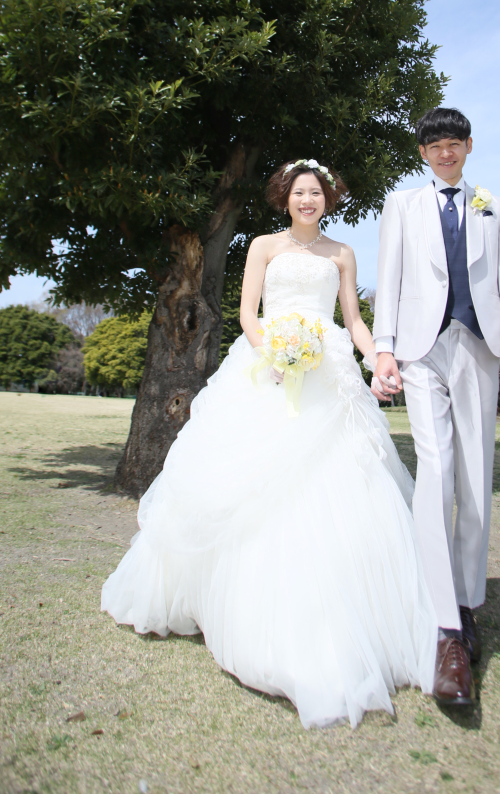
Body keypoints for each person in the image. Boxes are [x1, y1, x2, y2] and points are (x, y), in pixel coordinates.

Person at [101, 160, 437, 729]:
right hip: (267, 367)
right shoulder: (262, 245)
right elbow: (246, 313)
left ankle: (342, 617)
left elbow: (353, 318)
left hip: (327, 371)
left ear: (329, 199)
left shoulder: (342, 254)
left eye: (318, 193)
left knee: (341, 479)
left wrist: (375, 354)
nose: (309, 200)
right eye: (299, 192)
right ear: (285, 198)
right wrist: (274, 353)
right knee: (248, 477)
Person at [372, 108, 500, 706]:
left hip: (480, 347)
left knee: (475, 478)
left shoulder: (494, 205)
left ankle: (467, 604)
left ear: (469, 147)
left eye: (453, 144)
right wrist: (384, 349)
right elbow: (389, 279)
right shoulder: (402, 206)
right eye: (434, 145)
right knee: (436, 472)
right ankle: (445, 627)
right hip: (418, 350)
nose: (444, 153)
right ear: (423, 153)